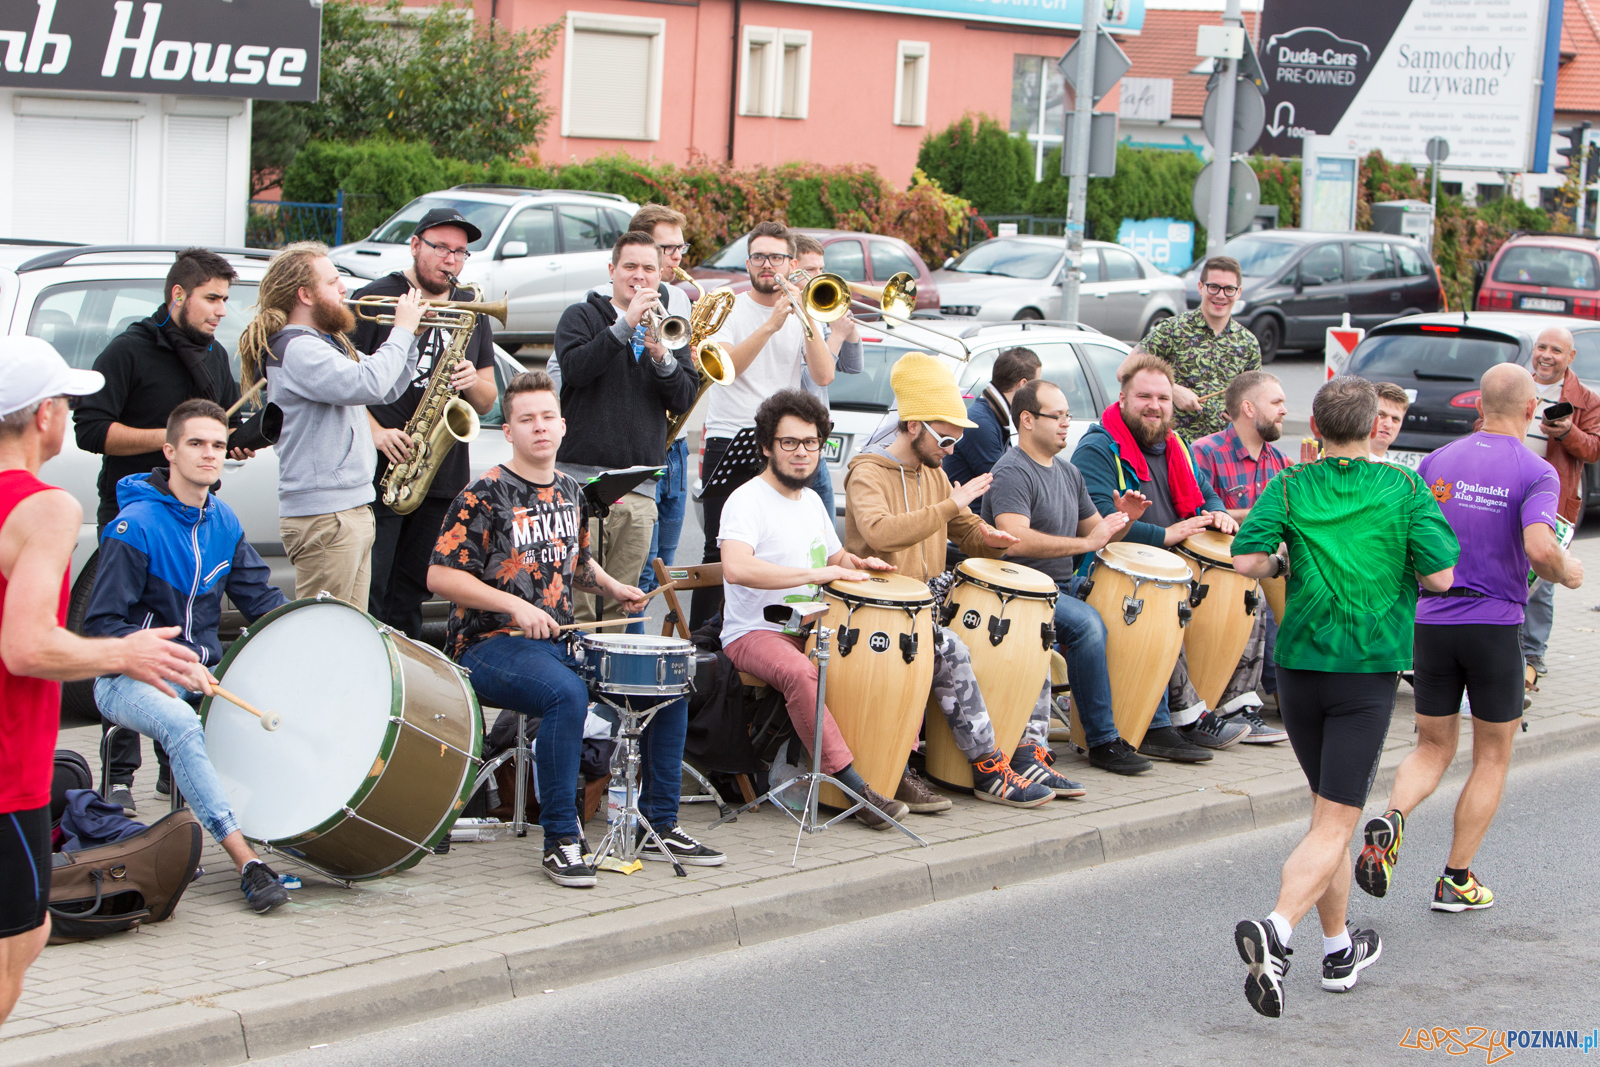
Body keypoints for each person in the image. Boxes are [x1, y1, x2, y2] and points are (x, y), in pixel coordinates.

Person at [427, 371, 722, 887]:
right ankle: (562, 839)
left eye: (546, 418)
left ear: (562, 427)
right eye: (526, 420)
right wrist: (513, 607)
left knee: (666, 680)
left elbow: (576, 561)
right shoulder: (485, 493)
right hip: (490, 646)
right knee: (565, 695)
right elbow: (440, 575)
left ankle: (660, 822)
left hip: (557, 642)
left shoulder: (569, 490)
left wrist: (614, 587)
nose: (539, 428)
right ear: (509, 432)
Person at [1230, 375, 1458, 1018]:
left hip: (1301, 667)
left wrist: (1284, 561)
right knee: (1336, 819)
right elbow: (1441, 576)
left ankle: (1338, 951)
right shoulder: (1404, 487)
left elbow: (1247, 560)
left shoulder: (1290, 484)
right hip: (1365, 670)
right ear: (1371, 427)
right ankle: (1277, 931)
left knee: (1328, 813)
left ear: (1319, 429)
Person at [1, 337, 198, 1031]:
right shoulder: (44, 506)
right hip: (8, 771)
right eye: (66, 402)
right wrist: (124, 653)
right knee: (19, 939)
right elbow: (24, 645)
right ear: (46, 414)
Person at [1358, 364, 1582, 915]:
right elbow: (1538, 548)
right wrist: (1569, 571)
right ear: (1532, 410)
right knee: (1492, 756)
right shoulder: (1536, 470)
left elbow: (1406, 538)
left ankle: (1393, 818)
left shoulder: (1436, 462)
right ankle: (1455, 880)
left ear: (1478, 407)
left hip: (1431, 624)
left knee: (1431, 746)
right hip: (1494, 628)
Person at [84, 399, 295, 913]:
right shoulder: (133, 527)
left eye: (218, 445)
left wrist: (314, 632)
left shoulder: (223, 520)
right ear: (170, 451)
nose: (209, 454)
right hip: (124, 677)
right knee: (182, 724)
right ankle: (246, 860)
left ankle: (294, 832)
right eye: (196, 444)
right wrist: (174, 662)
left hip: (199, 672)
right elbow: (102, 629)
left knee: (280, 710)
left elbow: (263, 601)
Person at [845, 353, 1071, 808]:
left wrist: (993, 540)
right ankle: (989, 767)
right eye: (945, 438)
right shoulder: (867, 472)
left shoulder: (934, 473)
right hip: (880, 611)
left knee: (1028, 636)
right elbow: (880, 533)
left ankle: (1027, 752)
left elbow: (965, 530)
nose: (952, 450)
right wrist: (951, 507)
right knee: (951, 647)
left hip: (926, 601)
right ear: (913, 426)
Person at [73, 247, 248, 809]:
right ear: (179, 295)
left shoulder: (215, 357)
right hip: (134, 514)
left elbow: (223, 423)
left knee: (188, 636)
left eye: (225, 299)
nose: (221, 310)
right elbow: (91, 431)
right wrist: (173, 441)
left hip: (192, 517)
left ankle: (176, 778)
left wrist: (229, 440)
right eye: (212, 298)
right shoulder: (127, 350)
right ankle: (119, 775)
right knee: (126, 636)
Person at [718, 389, 911, 829]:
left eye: (810, 443)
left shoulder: (812, 501)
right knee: (802, 672)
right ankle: (854, 788)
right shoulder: (746, 500)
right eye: (789, 443)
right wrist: (814, 576)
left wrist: (855, 564)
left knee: (877, 657)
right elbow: (736, 568)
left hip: (809, 624)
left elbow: (832, 557)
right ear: (767, 446)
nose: (801, 453)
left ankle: (893, 769)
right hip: (754, 633)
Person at [1070, 354, 1249, 761]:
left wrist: (1218, 510)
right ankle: (1166, 723)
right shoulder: (1099, 448)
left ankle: (1197, 712)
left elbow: (1205, 493)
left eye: (1163, 398)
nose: (1155, 405)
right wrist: (1164, 535)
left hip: (1170, 571)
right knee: (1162, 605)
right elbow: (1096, 522)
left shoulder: (1176, 447)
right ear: (1122, 398)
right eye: (1144, 396)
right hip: (1108, 576)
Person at [980, 379, 1155, 775]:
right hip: (1021, 590)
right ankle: (1102, 741)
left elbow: (1097, 533)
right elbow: (1014, 541)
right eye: (1056, 416)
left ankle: (1156, 725)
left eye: (1067, 416)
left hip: (1059, 586)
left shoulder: (1068, 471)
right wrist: (1086, 543)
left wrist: (1124, 519)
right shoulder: (1012, 470)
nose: (1065, 424)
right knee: (1088, 625)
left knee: (1134, 610)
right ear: (1026, 420)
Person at [238, 242, 423, 610]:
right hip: (327, 517)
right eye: (333, 281)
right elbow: (367, 383)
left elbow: (384, 389)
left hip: (349, 508)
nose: (344, 290)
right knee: (322, 637)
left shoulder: (322, 343)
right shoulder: (298, 349)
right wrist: (401, 330)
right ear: (305, 294)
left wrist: (411, 338)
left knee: (349, 634)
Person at [351, 208, 499, 640]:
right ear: (415, 245)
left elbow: (489, 397)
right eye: (440, 248)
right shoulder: (376, 299)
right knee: (372, 589)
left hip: (440, 470)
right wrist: (376, 432)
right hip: (384, 464)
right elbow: (341, 384)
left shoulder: (470, 305)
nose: (450, 260)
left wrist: (473, 380)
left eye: (460, 252)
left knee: (412, 593)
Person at [691, 222, 836, 629]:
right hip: (731, 437)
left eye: (775, 257)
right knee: (718, 548)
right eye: (758, 257)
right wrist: (771, 324)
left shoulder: (802, 309)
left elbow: (824, 376)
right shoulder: (730, 307)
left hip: (783, 443)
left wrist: (806, 319)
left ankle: (771, 627)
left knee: (783, 547)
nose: (766, 264)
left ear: (791, 263)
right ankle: (704, 642)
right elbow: (728, 369)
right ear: (749, 262)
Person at [554, 231, 698, 625]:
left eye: (649, 268)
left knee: (624, 606)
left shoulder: (670, 327)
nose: (639, 276)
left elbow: (684, 397)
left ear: (660, 276)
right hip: (583, 486)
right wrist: (625, 324)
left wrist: (661, 356)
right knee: (575, 602)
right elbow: (577, 370)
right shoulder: (580, 316)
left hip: (639, 489)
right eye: (630, 266)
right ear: (612, 271)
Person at [1189, 370, 1292, 744]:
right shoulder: (1204, 452)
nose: (1284, 411)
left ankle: (1293, 698)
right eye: (1276, 402)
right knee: (1259, 599)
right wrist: (1258, 516)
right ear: (1248, 408)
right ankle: (1241, 708)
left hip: (1262, 565)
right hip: (1214, 569)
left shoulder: (1279, 460)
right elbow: (1197, 514)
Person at [1500, 327, 1598, 676]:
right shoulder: (1513, 385)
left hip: (1550, 502)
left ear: (1570, 358)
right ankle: (1504, 647)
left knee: (1540, 578)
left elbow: (1594, 448)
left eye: (1556, 350)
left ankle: (1533, 654)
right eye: (1541, 347)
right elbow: (1485, 422)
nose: (1546, 355)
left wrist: (1568, 432)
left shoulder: (1585, 399)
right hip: (1502, 495)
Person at [631, 204, 698, 600]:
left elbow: (684, 376)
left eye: (679, 247)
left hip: (676, 446)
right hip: (641, 448)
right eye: (667, 248)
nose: (675, 257)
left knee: (664, 574)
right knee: (638, 574)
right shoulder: (608, 302)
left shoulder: (678, 298)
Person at [1123, 255, 1260, 442]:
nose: (1221, 295)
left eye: (1229, 289)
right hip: (1174, 446)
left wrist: (1240, 414)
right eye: (1214, 287)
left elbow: (1254, 399)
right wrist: (1173, 390)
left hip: (1223, 452)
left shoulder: (1248, 343)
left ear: (1238, 292)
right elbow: (1125, 371)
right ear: (1200, 287)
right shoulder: (1172, 329)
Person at [793, 234, 862, 520]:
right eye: (810, 270)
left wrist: (848, 326)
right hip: (797, 444)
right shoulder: (793, 317)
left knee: (826, 534)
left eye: (821, 270)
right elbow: (813, 380)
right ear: (792, 268)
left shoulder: (818, 311)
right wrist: (836, 336)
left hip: (819, 442)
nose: (818, 276)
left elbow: (853, 366)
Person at [943, 347, 1041, 485]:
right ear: (1023, 385)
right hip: (973, 507)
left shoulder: (993, 415)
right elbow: (1005, 484)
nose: (1036, 393)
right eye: (1036, 385)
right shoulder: (981, 424)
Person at [1368, 381, 1410, 462]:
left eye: (1395, 419)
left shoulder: (1398, 473)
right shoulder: (1344, 464)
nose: (1388, 425)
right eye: (1381, 415)